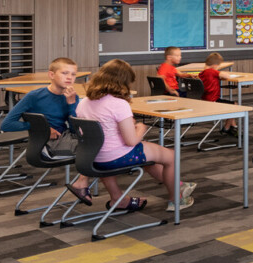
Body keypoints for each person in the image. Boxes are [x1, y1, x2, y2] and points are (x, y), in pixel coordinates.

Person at [75, 59, 196, 212]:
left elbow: (102, 128)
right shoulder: (118, 104)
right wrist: (141, 128)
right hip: (116, 157)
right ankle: (176, 199)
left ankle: (177, 185)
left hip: (93, 156)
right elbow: (131, 141)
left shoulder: (84, 102)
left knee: (150, 158)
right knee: (171, 156)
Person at [0, 56, 91, 203]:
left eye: (73, 74)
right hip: (46, 146)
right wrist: (43, 130)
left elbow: (74, 130)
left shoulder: (71, 97)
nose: (69, 78)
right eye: (64, 73)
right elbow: (6, 125)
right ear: (51, 75)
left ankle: (84, 183)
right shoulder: (34, 96)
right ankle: (84, 184)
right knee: (96, 148)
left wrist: (72, 104)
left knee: (98, 143)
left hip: (64, 138)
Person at [198, 52, 239, 135]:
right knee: (235, 105)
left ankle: (233, 126)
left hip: (204, 100)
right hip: (213, 101)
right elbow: (226, 76)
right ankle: (227, 128)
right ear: (215, 65)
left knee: (231, 105)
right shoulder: (212, 72)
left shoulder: (201, 73)